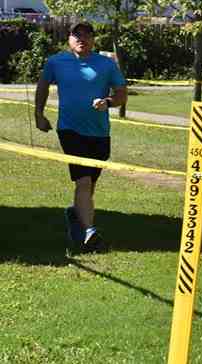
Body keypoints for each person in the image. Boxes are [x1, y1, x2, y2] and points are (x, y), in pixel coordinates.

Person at [35, 21, 127, 254]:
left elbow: (121, 94)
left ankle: (75, 216)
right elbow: (43, 86)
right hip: (69, 130)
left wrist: (107, 102)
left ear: (94, 39)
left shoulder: (106, 64)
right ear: (69, 38)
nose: (81, 39)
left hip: (99, 132)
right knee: (83, 181)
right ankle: (89, 233)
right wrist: (39, 114)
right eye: (77, 35)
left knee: (89, 185)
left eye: (87, 35)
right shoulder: (56, 62)